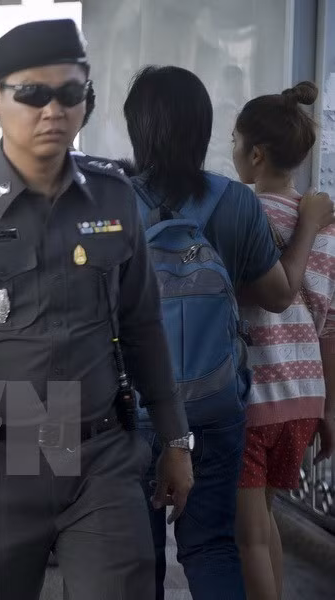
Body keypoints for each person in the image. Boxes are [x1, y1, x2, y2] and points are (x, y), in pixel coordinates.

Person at [0, 20, 195, 599]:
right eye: (33, 94)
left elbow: (142, 326)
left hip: (101, 458)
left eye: (70, 93)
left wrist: (175, 439)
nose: (52, 110)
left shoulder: (113, 196)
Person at [122, 65, 335, 600]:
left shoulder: (114, 203)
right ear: (204, 130)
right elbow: (280, 294)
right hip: (218, 403)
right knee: (216, 546)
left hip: (139, 405)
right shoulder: (236, 203)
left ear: (137, 130)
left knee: (136, 551)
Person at [231, 81, 335, 600]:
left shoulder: (243, 216)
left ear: (254, 154)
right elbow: (331, 327)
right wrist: (330, 410)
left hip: (257, 398)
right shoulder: (325, 227)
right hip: (304, 400)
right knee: (265, 521)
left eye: (234, 143)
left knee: (246, 535)